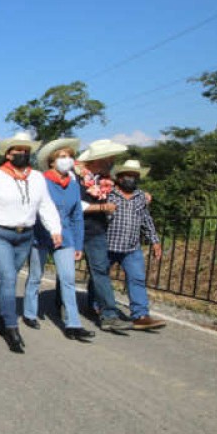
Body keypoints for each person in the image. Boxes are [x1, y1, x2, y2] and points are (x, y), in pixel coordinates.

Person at [0, 131, 62, 353]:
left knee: (9, 278)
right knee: (7, 277)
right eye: (18, 150)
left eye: (26, 151)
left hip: (25, 235)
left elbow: (45, 205)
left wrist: (55, 229)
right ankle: (10, 326)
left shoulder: (36, 178)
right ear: (8, 154)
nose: (23, 154)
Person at [23, 138, 95, 341]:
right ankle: (30, 312)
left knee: (68, 280)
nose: (68, 160)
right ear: (52, 162)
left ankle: (73, 324)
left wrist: (78, 243)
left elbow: (77, 216)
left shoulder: (73, 185)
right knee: (35, 275)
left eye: (70, 156)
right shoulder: (41, 181)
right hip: (41, 235)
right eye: (62, 157)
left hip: (66, 237)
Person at [75, 139, 133, 333]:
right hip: (75, 229)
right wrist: (101, 207)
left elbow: (124, 193)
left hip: (97, 231)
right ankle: (64, 307)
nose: (113, 161)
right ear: (99, 159)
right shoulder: (76, 178)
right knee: (66, 274)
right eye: (110, 157)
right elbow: (76, 205)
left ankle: (109, 314)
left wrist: (144, 194)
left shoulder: (106, 180)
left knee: (100, 271)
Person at [107, 160, 165, 330]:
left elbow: (146, 220)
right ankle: (97, 305)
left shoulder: (141, 197)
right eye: (127, 176)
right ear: (119, 177)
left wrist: (154, 241)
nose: (131, 179)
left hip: (132, 247)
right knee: (101, 278)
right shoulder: (108, 193)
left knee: (137, 279)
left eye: (134, 176)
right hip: (107, 245)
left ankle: (140, 315)